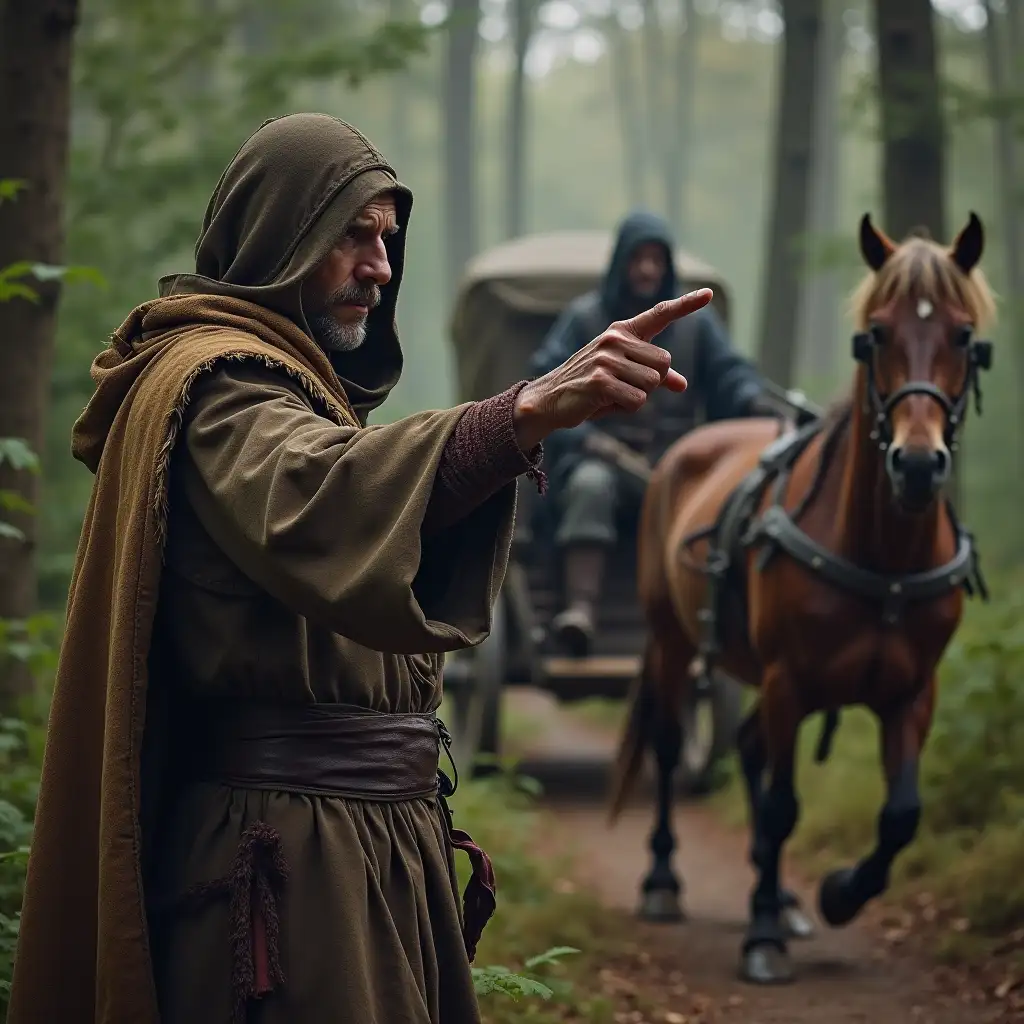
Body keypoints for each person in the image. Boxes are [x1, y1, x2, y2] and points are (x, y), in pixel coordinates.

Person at [9, 114, 712, 1024]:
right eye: (354, 234)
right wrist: (517, 416)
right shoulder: (218, 385)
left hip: (365, 852)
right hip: (292, 870)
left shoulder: (292, 391)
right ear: (279, 235)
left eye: (387, 238)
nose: (381, 267)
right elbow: (322, 499)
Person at [529, 210, 771, 658]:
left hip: (673, 470)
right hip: (598, 461)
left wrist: (754, 401)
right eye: (638, 258)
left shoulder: (698, 326)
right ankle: (580, 611)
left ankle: (708, 612)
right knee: (589, 485)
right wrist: (582, 440)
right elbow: (545, 384)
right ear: (621, 262)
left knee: (717, 506)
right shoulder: (585, 320)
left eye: (656, 260)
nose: (647, 269)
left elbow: (730, 375)